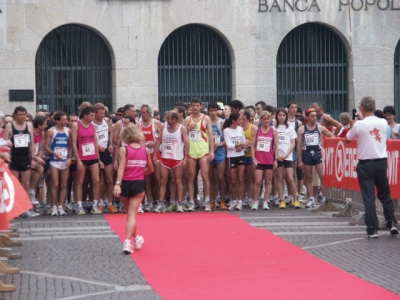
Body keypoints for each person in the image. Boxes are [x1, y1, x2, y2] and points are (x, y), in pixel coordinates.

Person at [346, 97, 398, 238]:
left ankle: (372, 229)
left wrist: (352, 125)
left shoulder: (359, 125)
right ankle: (392, 222)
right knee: (385, 195)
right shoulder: (382, 122)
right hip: (381, 162)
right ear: (374, 108)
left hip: (365, 163)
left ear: (362, 108)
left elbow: (348, 139)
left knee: (369, 197)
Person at [113, 124, 154, 254]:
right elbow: (151, 169)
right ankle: (127, 241)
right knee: (132, 214)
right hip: (138, 183)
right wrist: (141, 172)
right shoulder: (145, 150)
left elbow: (121, 167)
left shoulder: (124, 149)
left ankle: (136, 238)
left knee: (130, 214)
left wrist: (117, 184)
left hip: (125, 183)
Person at [4, 106, 38, 217]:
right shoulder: (10, 126)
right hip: (14, 157)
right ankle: (15, 207)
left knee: (26, 184)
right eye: (20, 114)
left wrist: (33, 158)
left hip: (25, 157)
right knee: (15, 184)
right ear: (15, 115)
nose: (22, 117)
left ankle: (25, 208)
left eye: (24, 114)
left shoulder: (29, 126)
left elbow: (32, 143)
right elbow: (5, 143)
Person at [297, 108, 334, 208]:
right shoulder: (302, 129)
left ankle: (326, 198)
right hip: (307, 154)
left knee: (322, 176)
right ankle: (311, 198)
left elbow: (332, 136)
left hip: (317, 154)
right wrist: (299, 161)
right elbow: (299, 146)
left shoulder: (320, 127)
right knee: (308, 177)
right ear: (307, 117)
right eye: (312, 116)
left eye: (315, 116)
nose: (314, 118)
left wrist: (324, 147)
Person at [153, 110, 189, 213]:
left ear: (175, 119)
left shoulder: (182, 129)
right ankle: (161, 203)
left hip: (177, 158)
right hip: (165, 158)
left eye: (168, 118)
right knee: (163, 181)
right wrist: (155, 154)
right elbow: (158, 140)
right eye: (166, 118)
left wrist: (185, 158)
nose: (166, 120)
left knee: (178, 180)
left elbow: (187, 144)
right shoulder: (163, 127)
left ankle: (179, 204)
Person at [70, 105, 103, 215]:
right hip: (82, 156)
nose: (93, 117)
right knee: (80, 181)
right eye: (91, 115)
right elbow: (74, 143)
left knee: (96, 180)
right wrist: (78, 159)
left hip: (92, 155)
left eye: (94, 115)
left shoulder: (92, 126)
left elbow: (95, 142)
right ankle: (79, 205)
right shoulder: (76, 125)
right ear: (85, 115)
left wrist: (98, 159)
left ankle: (95, 204)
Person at [184, 98, 215, 211]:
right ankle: (192, 201)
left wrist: (211, 151)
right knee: (191, 177)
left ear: (201, 106)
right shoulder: (187, 119)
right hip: (191, 151)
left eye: (197, 105)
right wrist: (188, 129)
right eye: (193, 105)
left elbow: (210, 135)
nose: (195, 107)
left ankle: (207, 200)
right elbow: (183, 135)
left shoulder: (206, 118)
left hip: (203, 151)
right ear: (191, 107)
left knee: (205, 176)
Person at [44, 111, 71, 216]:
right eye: (63, 120)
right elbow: (46, 147)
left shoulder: (68, 130)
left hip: (65, 160)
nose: (66, 121)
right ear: (57, 121)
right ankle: (54, 206)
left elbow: (72, 145)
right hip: (54, 160)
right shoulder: (51, 131)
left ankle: (61, 206)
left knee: (64, 184)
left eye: (66, 119)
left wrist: (69, 157)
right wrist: (54, 153)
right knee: (55, 184)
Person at [250, 111, 279, 211]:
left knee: (268, 181)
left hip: (269, 159)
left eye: (268, 119)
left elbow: (276, 146)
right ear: (261, 120)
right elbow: (252, 146)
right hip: (259, 159)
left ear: (270, 119)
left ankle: (266, 201)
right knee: (257, 181)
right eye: (264, 119)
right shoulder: (257, 130)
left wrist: (275, 160)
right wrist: (253, 158)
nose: (266, 121)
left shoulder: (273, 131)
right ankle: (256, 201)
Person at [93, 103, 118, 213]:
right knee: (99, 180)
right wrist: (97, 146)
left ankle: (110, 203)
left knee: (110, 179)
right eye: (101, 113)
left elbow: (110, 133)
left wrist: (111, 144)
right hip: (96, 153)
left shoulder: (106, 122)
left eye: (104, 113)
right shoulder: (92, 124)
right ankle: (100, 202)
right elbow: (91, 138)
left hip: (106, 152)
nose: (103, 115)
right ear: (95, 113)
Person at [275, 108, 299, 209]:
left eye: (283, 115)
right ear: (277, 116)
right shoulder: (274, 128)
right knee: (279, 178)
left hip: (288, 156)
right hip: (278, 156)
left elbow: (293, 143)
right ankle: (282, 200)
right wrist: (277, 156)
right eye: (280, 115)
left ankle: (296, 199)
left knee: (290, 177)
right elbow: (273, 143)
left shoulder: (290, 128)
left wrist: (286, 154)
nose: (281, 117)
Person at [223, 113, 246, 211]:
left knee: (240, 179)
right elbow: (229, 145)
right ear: (233, 120)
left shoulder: (240, 129)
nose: (241, 121)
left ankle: (240, 201)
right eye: (239, 119)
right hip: (231, 156)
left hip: (241, 155)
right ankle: (233, 200)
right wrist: (239, 145)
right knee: (233, 180)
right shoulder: (226, 130)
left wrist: (242, 146)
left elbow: (245, 142)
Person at [208, 102, 227, 210]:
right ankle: (211, 200)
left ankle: (222, 200)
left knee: (220, 177)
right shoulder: (206, 122)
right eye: (211, 110)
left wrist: (219, 144)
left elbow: (227, 139)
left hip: (219, 151)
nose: (213, 113)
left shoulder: (222, 122)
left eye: (215, 110)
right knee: (211, 178)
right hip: (209, 151)